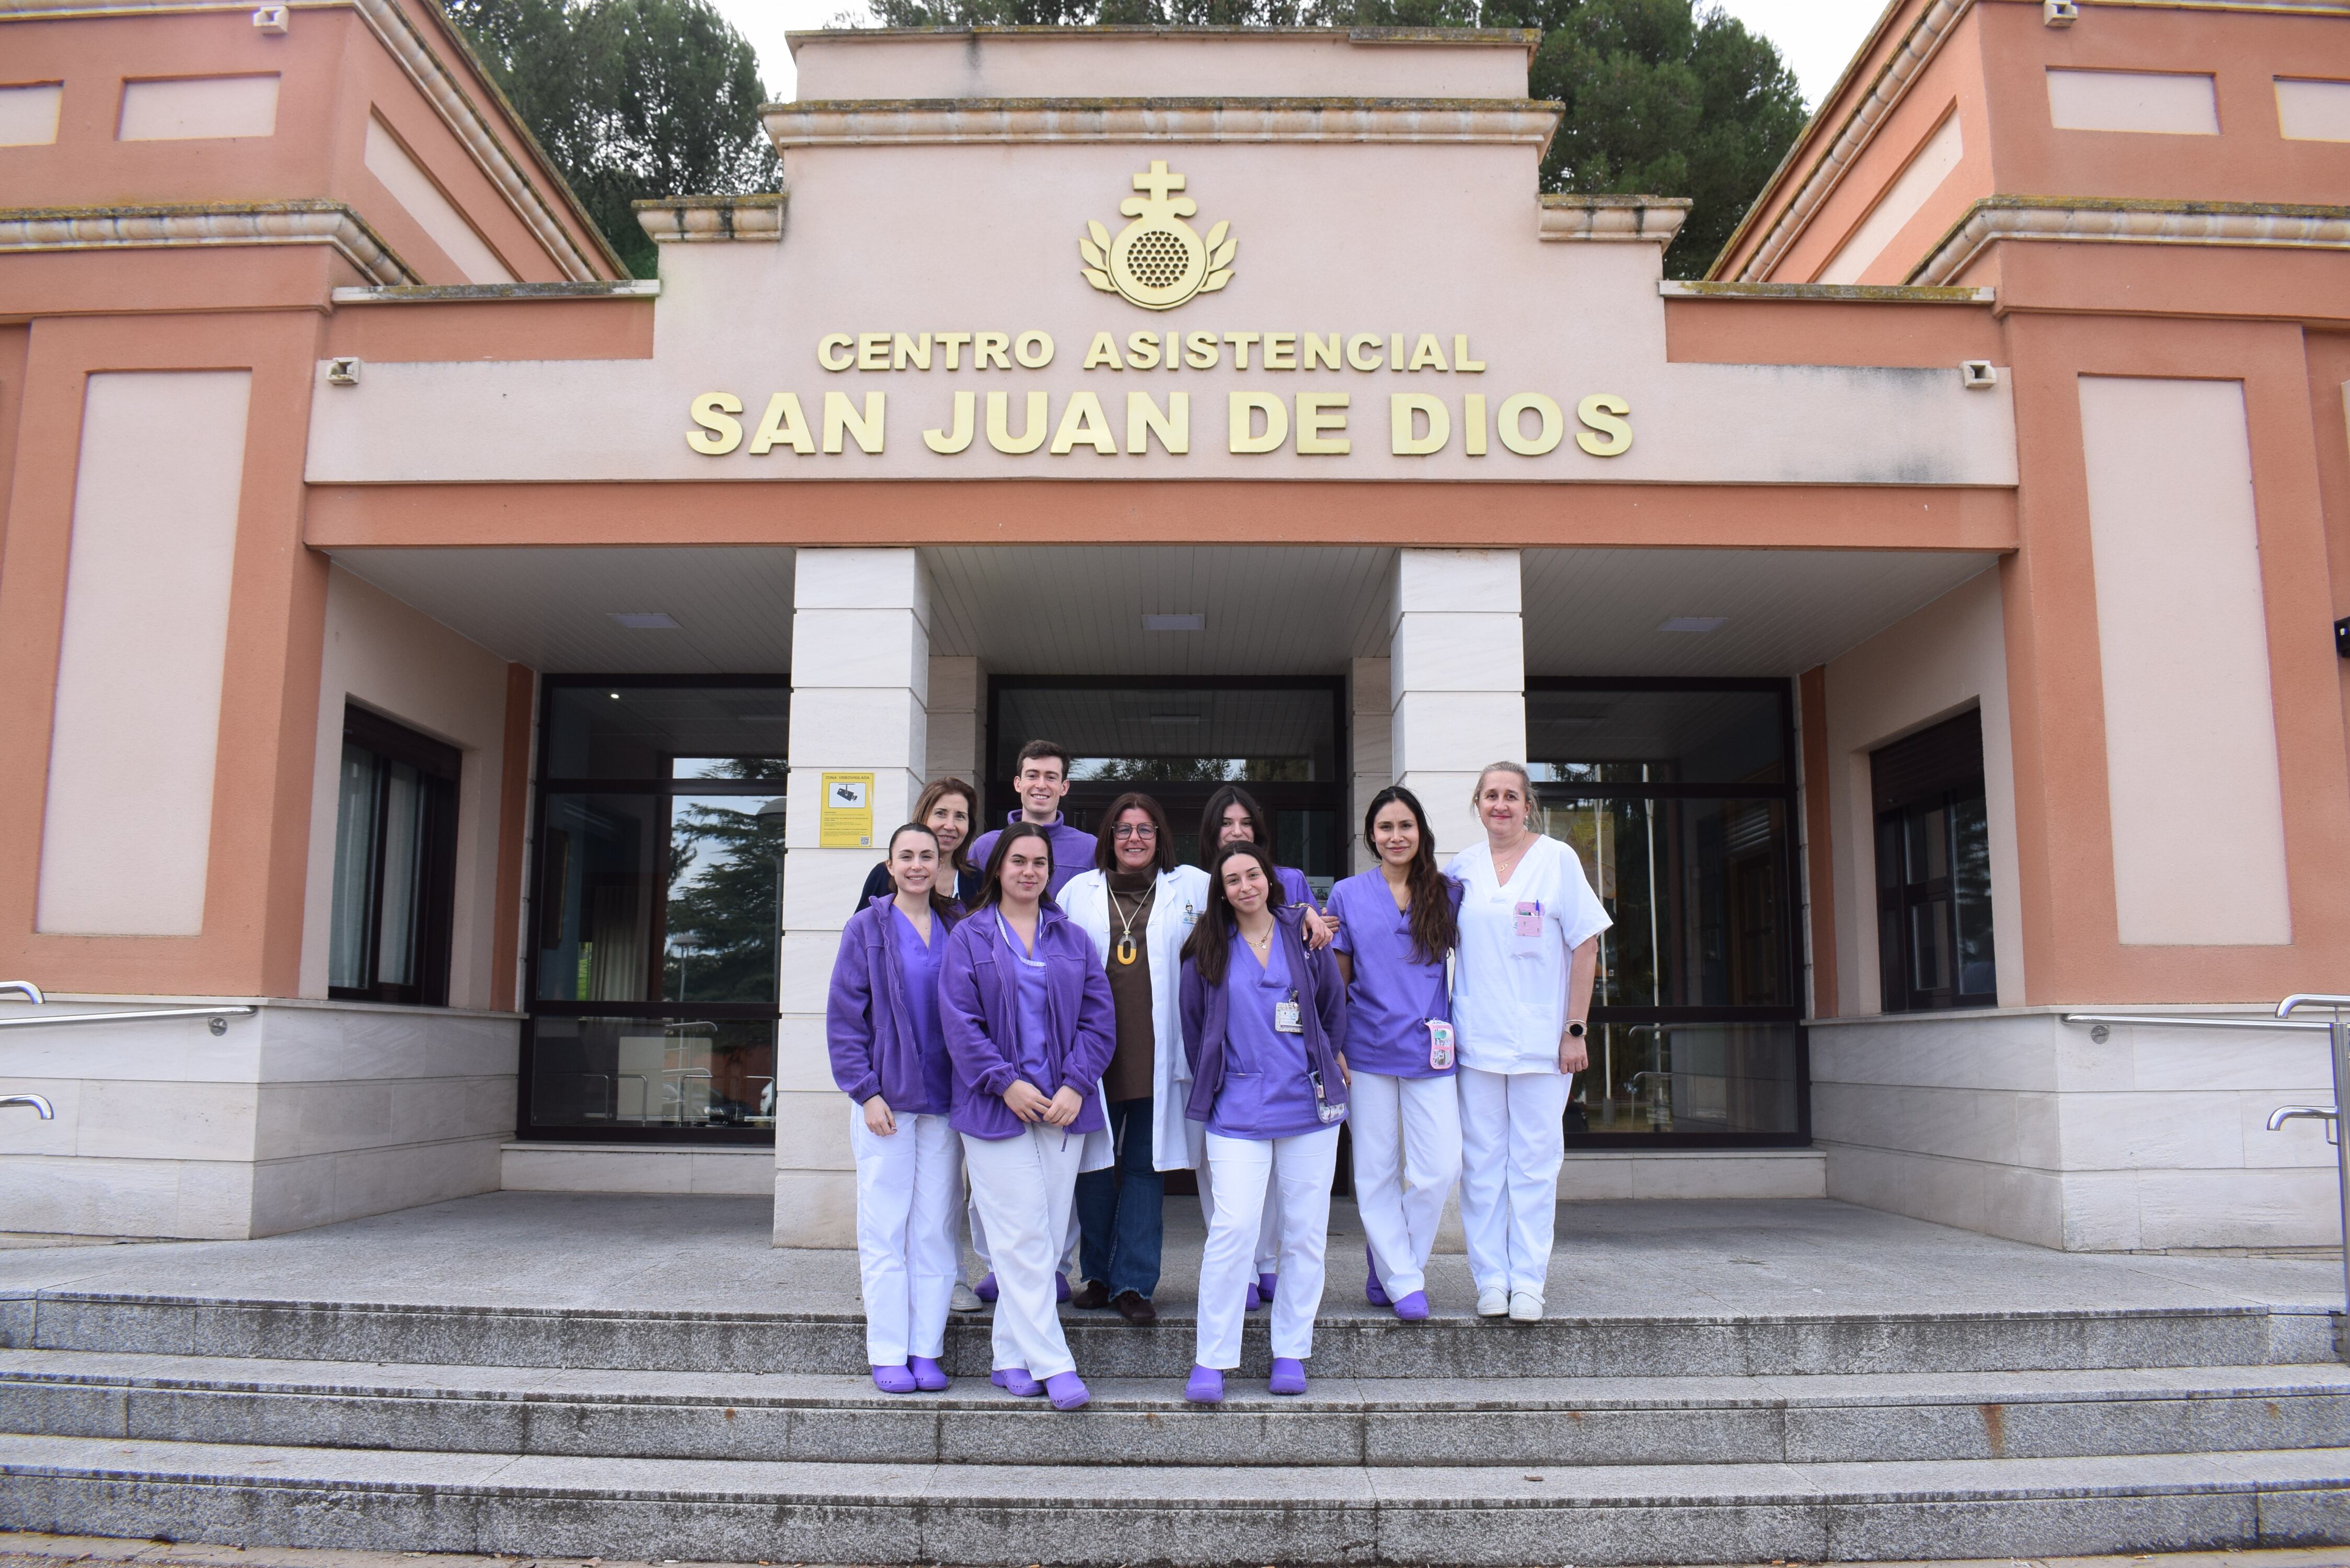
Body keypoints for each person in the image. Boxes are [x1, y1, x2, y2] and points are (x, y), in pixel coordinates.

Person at [939, 822, 1116, 1411]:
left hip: (1063, 1108)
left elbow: (1099, 1021)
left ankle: (1008, 1355)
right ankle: (1053, 1362)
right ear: (998, 869)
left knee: (1040, 1236)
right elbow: (959, 1024)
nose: (1029, 871)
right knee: (1018, 1236)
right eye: (1018, 861)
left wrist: (1075, 1085)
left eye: (1039, 863)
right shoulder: (969, 937)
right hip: (995, 1108)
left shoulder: (1071, 937)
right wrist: (1004, 1082)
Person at [1178, 840, 1347, 1405]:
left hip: (1307, 1107)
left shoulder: (1304, 936)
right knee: (1233, 1230)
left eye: (1253, 875)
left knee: (1303, 1232)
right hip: (1237, 1108)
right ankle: (1211, 1358)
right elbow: (1194, 1024)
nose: (1245, 886)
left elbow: (1329, 1008)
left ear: (1269, 881)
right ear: (1220, 891)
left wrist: (1329, 1056)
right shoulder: (1205, 948)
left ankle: (1290, 1351)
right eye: (1232, 879)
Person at [1443, 762, 1609, 1324]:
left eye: (1510, 795)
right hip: (1477, 1040)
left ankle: (1528, 1282)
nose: (1500, 805)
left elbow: (1585, 945)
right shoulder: (1462, 867)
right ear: (1477, 803)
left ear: (1527, 804)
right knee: (1482, 1165)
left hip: (1543, 1042)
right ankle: (1490, 1280)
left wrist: (1574, 1028)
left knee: (1535, 1165)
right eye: (1490, 795)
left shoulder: (1557, 860)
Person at [1057, 792, 1211, 1325]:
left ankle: (1134, 1283)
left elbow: (1253, 899)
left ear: (1160, 836)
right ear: (1108, 837)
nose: (1134, 839)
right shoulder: (1078, 892)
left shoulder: (1188, 887)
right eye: (1123, 830)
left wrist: (1305, 911)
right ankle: (1097, 1276)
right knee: (1093, 1169)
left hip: (1159, 1055)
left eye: (1145, 829)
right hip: (1094, 1056)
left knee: (1145, 1169)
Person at [825, 823, 964, 1394]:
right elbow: (843, 1018)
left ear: (938, 865)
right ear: (889, 865)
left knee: (935, 1228)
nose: (915, 865)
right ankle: (886, 1351)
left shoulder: (958, 926)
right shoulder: (866, 927)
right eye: (905, 856)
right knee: (885, 1227)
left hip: (945, 1101)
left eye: (925, 856)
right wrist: (865, 1091)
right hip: (886, 1102)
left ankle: (925, 1350)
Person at [1328, 786, 1463, 1322]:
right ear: (1371, 836)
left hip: (1430, 1050)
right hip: (1365, 1050)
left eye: (1404, 826)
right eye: (1384, 828)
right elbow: (1338, 983)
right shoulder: (1346, 894)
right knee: (1376, 1170)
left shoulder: (1448, 893)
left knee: (1439, 1169)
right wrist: (1333, 1047)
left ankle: (1390, 1259)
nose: (1395, 836)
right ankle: (1404, 1280)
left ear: (1420, 832)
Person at [1196, 782, 1333, 1308]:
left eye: (1244, 824)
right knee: (1230, 1185)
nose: (1235, 832)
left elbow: (1317, 957)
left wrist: (1310, 917)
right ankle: (1243, 1270)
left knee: (1287, 1178)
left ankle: (1270, 1263)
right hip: (1229, 1061)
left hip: (1292, 1069)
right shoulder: (1197, 885)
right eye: (1225, 824)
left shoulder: (1288, 881)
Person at [969, 740, 1099, 902]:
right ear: (1018, 783)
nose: (1041, 785)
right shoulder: (985, 846)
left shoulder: (1089, 849)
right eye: (1032, 776)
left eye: (1051, 777)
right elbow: (971, 908)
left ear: (1064, 787)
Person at [854, 778, 984, 910]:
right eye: (941, 814)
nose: (950, 826)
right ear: (923, 817)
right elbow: (862, 929)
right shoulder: (885, 874)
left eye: (960, 816)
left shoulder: (977, 881)